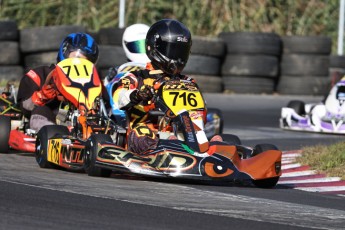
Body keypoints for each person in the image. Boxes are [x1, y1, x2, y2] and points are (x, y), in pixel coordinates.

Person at [112, 19, 222, 155]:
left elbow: (200, 111)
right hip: (147, 130)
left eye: (181, 52)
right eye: (172, 51)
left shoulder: (187, 81)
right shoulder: (137, 76)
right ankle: (169, 147)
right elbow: (118, 98)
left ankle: (204, 148)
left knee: (217, 139)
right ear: (153, 48)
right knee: (142, 134)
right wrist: (137, 95)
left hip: (181, 132)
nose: (178, 58)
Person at [17, 32, 99, 132]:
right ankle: (52, 137)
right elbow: (24, 108)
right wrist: (41, 96)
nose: (80, 64)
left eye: (86, 61)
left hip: (80, 122)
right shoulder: (39, 75)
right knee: (41, 110)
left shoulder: (94, 83)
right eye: (77, 58)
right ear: (65, 52)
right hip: (50, 120)